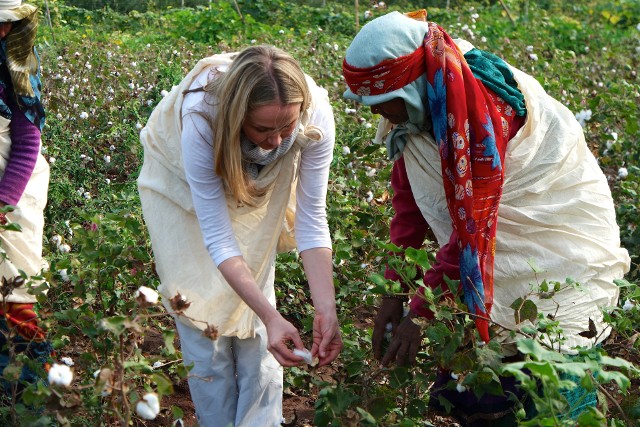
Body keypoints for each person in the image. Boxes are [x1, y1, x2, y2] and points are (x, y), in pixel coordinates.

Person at [342, 9, 630, 425]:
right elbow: (408, 207)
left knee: (551, 392)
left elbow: (471, 230)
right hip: (477, 243)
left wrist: (420, 313)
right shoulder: (421, 103)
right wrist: (393, 292)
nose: (373, 114)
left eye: (379, 102)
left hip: (553, 247)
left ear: (409, 88)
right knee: (481, 394)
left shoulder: (480, 114)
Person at [137, 45, 342, 426]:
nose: (277, 141)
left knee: (259, 304)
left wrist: (324, 309)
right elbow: (217, 235)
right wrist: (270, 317)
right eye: (263, 128)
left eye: (286, 127)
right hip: (181, 188)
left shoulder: (315, 114)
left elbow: (312, 218)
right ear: (236, 116)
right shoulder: (202, 116)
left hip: (253, 180)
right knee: (199, 308)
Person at [0, 0, 51, 395]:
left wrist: (3, 204)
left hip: (14, 189)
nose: (4, 32)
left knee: (14, 288)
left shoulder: (15, 67)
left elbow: (27, 141)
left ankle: (31, 394)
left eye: (9, 24)